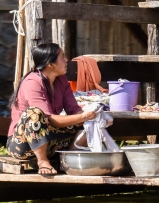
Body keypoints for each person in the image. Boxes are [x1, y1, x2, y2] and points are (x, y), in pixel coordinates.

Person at [7, 43, 98, 176]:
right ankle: (43, 161)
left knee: (91, 121)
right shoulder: (32, 82)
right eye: (62, 57)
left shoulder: (61, 80)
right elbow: (50, 119)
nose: (66, 60)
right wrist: (84, 117)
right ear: (51, 64)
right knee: (35, 114)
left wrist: (92, 115)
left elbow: (74, 110)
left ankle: (69, 160)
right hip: (24, 146)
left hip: (51, 142)